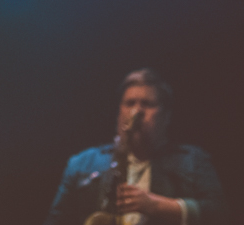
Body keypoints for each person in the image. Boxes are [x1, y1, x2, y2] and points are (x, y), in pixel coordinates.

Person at [44, 69, 227, 225]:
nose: (136, 112)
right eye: (129, 103)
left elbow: (219, 215)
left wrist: (156, 206)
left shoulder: (193, 160)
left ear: (166, 116)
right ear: (119, 112)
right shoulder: (81, 164)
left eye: (147, 104)